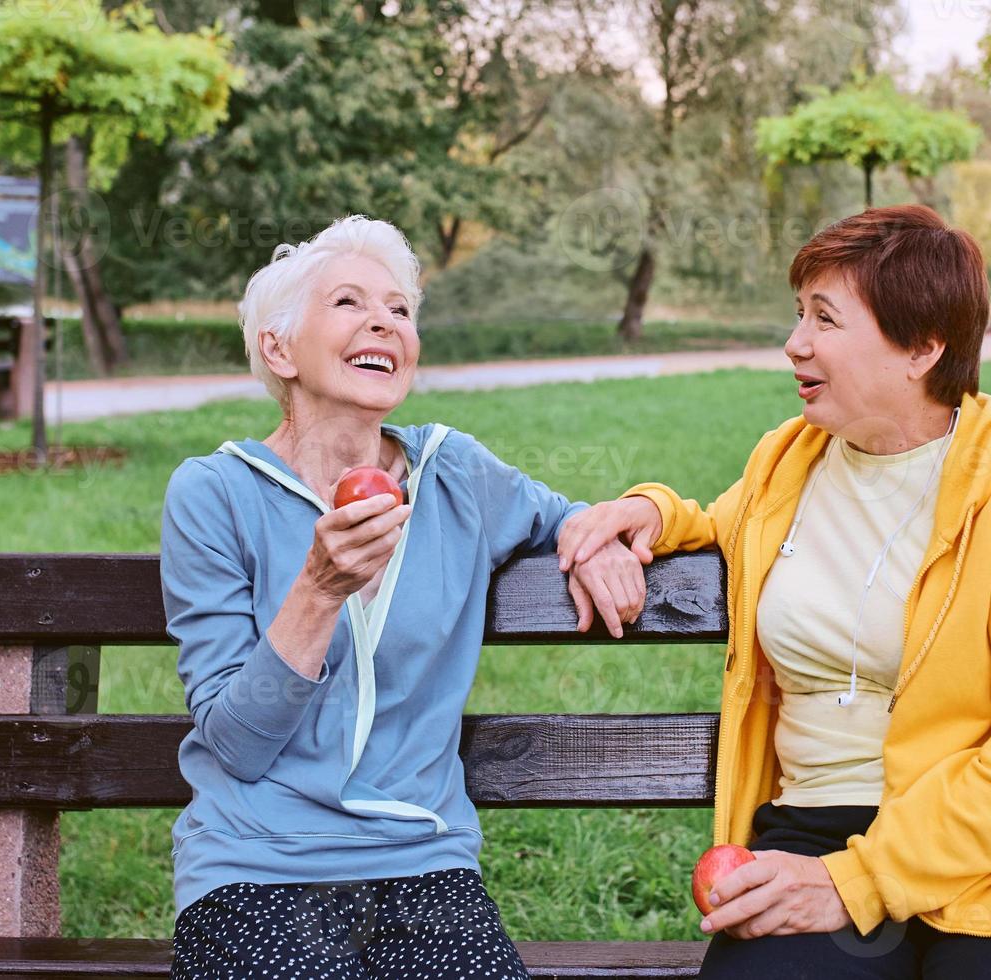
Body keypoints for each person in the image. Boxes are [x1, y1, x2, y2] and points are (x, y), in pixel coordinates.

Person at [556, 205, 991, 978]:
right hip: (817, 831)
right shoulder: (789, 461)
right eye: (797, 314)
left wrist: (856, 884)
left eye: (824, 318)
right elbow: (719, 521)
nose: (794, 344)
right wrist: (642, 510)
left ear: (920, 346)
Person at [159, 215, 635, 979]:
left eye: (399, 310)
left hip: (425, 863)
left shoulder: (455, 474)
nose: (382, 320)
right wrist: (317, 591)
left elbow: (564, 515)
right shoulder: (214, 494)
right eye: (347, 302)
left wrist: (599, 534)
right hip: (258, 864)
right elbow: (237, 748)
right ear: (278, 349)